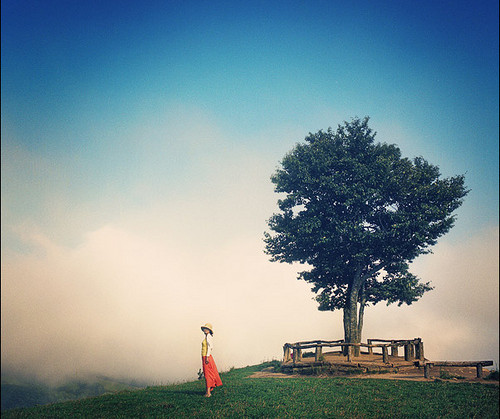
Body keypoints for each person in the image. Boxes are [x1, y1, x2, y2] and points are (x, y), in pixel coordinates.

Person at [201, 323, 222, 397]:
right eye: (204, 328)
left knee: (208, 374)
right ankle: (208, 391)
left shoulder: (208, 337)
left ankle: (208, 393)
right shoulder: (207, 337)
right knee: (208, 374)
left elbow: (210, 347)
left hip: (206, 356)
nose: (205, 330)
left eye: (207, 328)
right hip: (204, 356)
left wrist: (207, 357)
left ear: (209, 330)